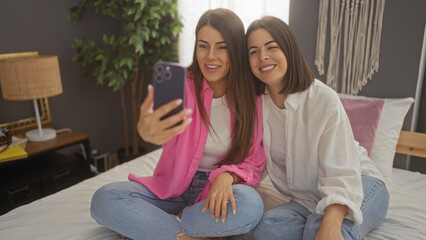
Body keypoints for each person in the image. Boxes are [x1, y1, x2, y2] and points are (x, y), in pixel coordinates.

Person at [90, 8, 266, 240]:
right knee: (105, 199)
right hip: (171, 188)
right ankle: (191, 233)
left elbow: (254, 161)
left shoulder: (251, 97)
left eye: (221, 47)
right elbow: (156, 130)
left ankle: (157, 228)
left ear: (235, 50)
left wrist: (228, 177)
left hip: (215, 191)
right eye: (203, 45)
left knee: (251, 204)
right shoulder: (182, 85)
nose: (210, 55)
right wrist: (146, 130)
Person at [246, 16, 389, 240]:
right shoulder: (258, 105)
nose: (262, 56)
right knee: (267, 229)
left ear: (289, 50)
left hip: (358, 183)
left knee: (320, 229)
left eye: (271, 47)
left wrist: (330, 222)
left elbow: (342, 172)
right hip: (307, 199)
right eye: (253, 51)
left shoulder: (323, 98)